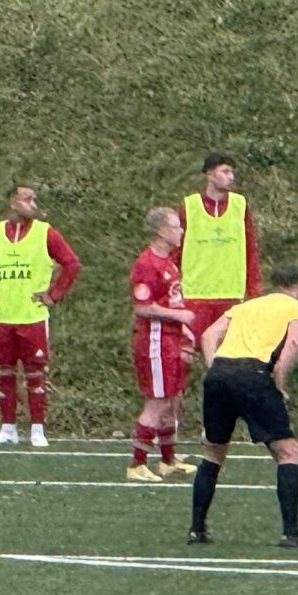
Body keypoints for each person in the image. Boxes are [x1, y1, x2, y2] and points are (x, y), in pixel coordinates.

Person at [190, 267, 298, 549]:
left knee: (213, 451)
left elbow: (209, 335)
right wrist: (279, 384)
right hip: (254, 375)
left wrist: (216, 369)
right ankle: (291, 533)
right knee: (287, 451)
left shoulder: (246, 306)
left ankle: (197, 530)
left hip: (220, 373)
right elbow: (292, 346)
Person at [0, 183, 80, 449]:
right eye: (27, 199)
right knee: (5, 373)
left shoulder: (45, 232)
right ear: (12, 201)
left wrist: (53, 295)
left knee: (35, 374)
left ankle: (37, 429)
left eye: (33, 199)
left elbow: (71, 264)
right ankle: (8, 428)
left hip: (32, 317)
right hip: (2, 316)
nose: (32, 204)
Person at [128, 206, 197, 482]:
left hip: (171, 339)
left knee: (172, 399)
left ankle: (168, 460)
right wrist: (179, 316)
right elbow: (142, 307)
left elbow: (171, 299)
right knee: (158, 401)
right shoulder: (147, 264)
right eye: (176, 226)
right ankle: (137, 464)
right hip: (155, 342)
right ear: (161, 231)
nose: (181, 231)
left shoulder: (168, 261)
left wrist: (184, 330)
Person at [180, 151, 261, 353]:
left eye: (232, 172)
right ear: (210, 174)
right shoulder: (190, 206)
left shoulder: (240, 206)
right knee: (188, 353)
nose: (231, 177)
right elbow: (176, 250)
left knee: (229, 355)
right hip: (196, 294)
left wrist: (253, 292)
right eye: (225, 172)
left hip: (231, 294)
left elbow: (250, 250)